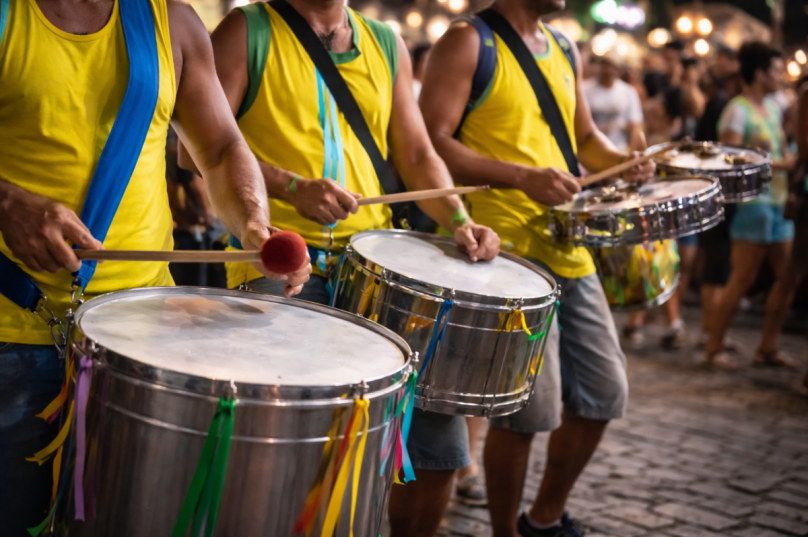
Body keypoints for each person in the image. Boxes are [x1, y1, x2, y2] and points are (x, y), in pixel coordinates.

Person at [0, 0, 310, 533]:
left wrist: (254, 222)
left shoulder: (173, 23)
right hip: (11, 333)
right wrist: (6, 204)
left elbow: (218, 148)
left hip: (140, 338)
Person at [200, 5, 500, 535]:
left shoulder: (386, 42)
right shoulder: (248, 30)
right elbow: (194, 149)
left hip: (376, 265)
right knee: (290, 440)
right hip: (280, 255)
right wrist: (295, 187)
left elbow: (415, 150)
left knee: (435, 438)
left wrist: (458, 218)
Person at [419, 0, 654, 534]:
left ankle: (543, 519)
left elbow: (584, 140)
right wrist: (522, 177)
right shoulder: (469, 40)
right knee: (526, 413)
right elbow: (432, 142)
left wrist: (622, 163)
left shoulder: (565, 46)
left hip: (568, 245)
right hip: (501, 252)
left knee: (604, 392)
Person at [705, 42, 802, 370]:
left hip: (778, 203)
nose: (780, 76)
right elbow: (730, 160)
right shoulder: (737, 109)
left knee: (788, 277)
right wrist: (782, 165)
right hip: (753, 204)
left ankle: (767, 347)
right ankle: (714, 346)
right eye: (776, 70)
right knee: (742, 278)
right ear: (759, 74)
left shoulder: (772, 108)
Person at [582, 51, 645, 152]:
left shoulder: (628, 92)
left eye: (613, 67)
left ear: (619, 70)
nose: (608, 70)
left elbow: (635, 125)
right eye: (605, 65)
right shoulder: (583, 89)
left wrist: (632, 152)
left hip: (618, 149)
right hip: (589, 149)